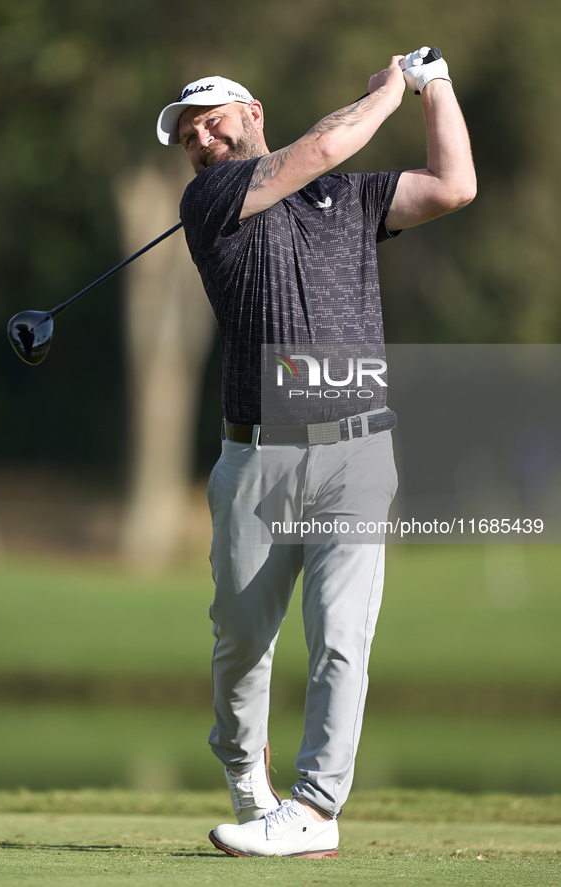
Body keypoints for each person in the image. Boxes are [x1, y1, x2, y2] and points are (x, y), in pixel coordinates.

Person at [156, 48, 476, 858]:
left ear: (252, 112)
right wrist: (387, 90)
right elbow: (324, 146)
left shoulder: (349, 197)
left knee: (340, 635)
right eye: (188, 134)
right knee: (240, 639)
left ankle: (314, 806)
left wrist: (434, 85)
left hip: (358, 451)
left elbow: (453, 185)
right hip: (255, 460)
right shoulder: (212, 197)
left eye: (212, 121)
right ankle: (244, 773)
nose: (201, 139)